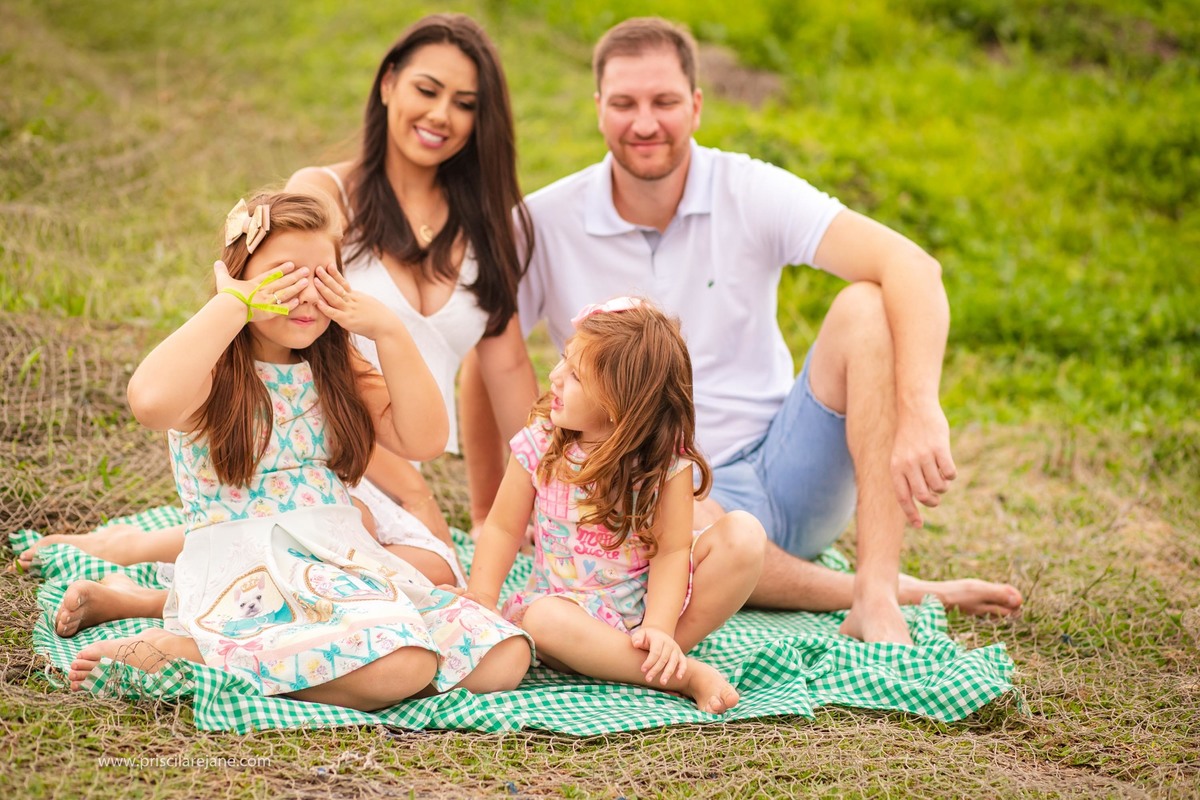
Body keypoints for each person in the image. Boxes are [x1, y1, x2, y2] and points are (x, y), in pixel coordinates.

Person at [463, 16, 1023, 646]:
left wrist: (920, 409)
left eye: (665, 101)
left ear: (696, 106)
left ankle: (877, 592)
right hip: (660, 483)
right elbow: (484, 350)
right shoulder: (544, 220)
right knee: (674, 487)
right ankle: (904, 590)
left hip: (787, 468)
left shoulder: (747, 187)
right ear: (598, 109)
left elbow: (913, 266)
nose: (645, 122)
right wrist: (494, 509)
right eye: (624, 103)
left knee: (867, 304)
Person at [23, 13, 538, 587]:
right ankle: (142, 552)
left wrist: (517, 502)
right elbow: (276, 320)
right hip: (327, 446)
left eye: (465, 102)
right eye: (427, 89)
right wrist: (415, 492)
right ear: (388, 84)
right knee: (306, 522)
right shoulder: (323, 199)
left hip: (367, 433)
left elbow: (506, 367)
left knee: (411, 564)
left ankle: (161, 564)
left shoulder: (488, 228)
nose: (442, 114)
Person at [67, 192, 531, 711]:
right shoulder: (216, 370)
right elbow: (150, 402)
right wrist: (231, 306)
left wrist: (388, 330)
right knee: (408, 663)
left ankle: (326, 671)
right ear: (241, 276)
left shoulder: (335, 369)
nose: (305, 295)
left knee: (503, 655)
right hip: (254, 571)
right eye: (284, 276)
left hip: (344, 561)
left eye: (322, 277)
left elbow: (423, 439)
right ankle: (184, 652)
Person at [463, 298, 764, 713]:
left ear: (620, 402)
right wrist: (482, 594)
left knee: (745, 535)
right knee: (543, 618)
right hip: (569, 615)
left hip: (649, 610)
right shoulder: (541, 442)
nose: (554, 377)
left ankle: (660, 653)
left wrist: (658, 626)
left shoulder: (662, 462)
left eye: (574, 376)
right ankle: (679, 674)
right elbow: (501, 527)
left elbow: (673, 549)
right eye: (562, 362)